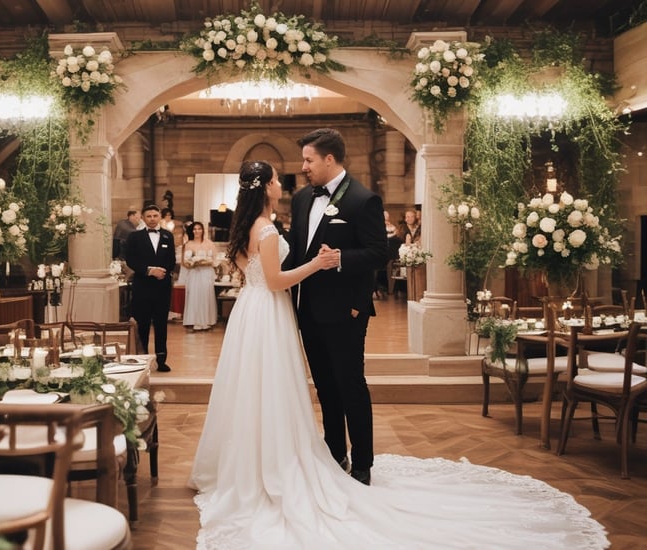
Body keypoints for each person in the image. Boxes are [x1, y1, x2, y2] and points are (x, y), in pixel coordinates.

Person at [189, 160, 608, 549]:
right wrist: (317, 266)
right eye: (280, 177)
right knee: (276, 386)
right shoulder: (269, 225)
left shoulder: (286, 217)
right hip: (276, 309)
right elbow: (280, 277)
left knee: (264, 387)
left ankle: (268, 462)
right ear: (265, 187)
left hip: (259, 312)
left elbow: (370, 253)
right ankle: (279, 462)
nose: (292, 177)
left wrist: (337, 281)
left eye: (306, 161)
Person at [287, 127, 388, 485]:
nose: (304, 166)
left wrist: (342, 258)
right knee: (325, 386)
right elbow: (296, 250)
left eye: (309, 159)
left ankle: (362, 462)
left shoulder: (363, 200)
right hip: (308, 311)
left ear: (329, 159)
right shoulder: (301, 199)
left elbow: (379, 253)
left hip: (346, 311)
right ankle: (334, 453)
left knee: (350, 385)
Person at [125, 204, 175, 372]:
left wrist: (162, 272)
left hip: (162, 287)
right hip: (142, 287)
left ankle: (161, 359)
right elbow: (130, 260)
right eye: (149, 216)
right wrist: (149, 271)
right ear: (143, 218)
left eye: (155, 215)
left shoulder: (168, 236)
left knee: (161, 324)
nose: (152, 219)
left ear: (160, 216)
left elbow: (171, 260)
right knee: (143, 324)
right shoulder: (134, 237)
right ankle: (143, 358)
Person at [182, 221, 217, 331]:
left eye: (199, 229)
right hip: (194, 273)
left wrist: (207, 262)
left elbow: (215, 259)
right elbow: (184, 261)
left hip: (207, 272)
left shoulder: (209, 244)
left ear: (203, 230)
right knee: (194, 295)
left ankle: (207, 322)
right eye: (195, 229)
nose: (197, 231)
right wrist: (192, 263)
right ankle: (193, 321)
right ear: (192, 231)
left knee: (206, 295)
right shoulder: (188, 244)